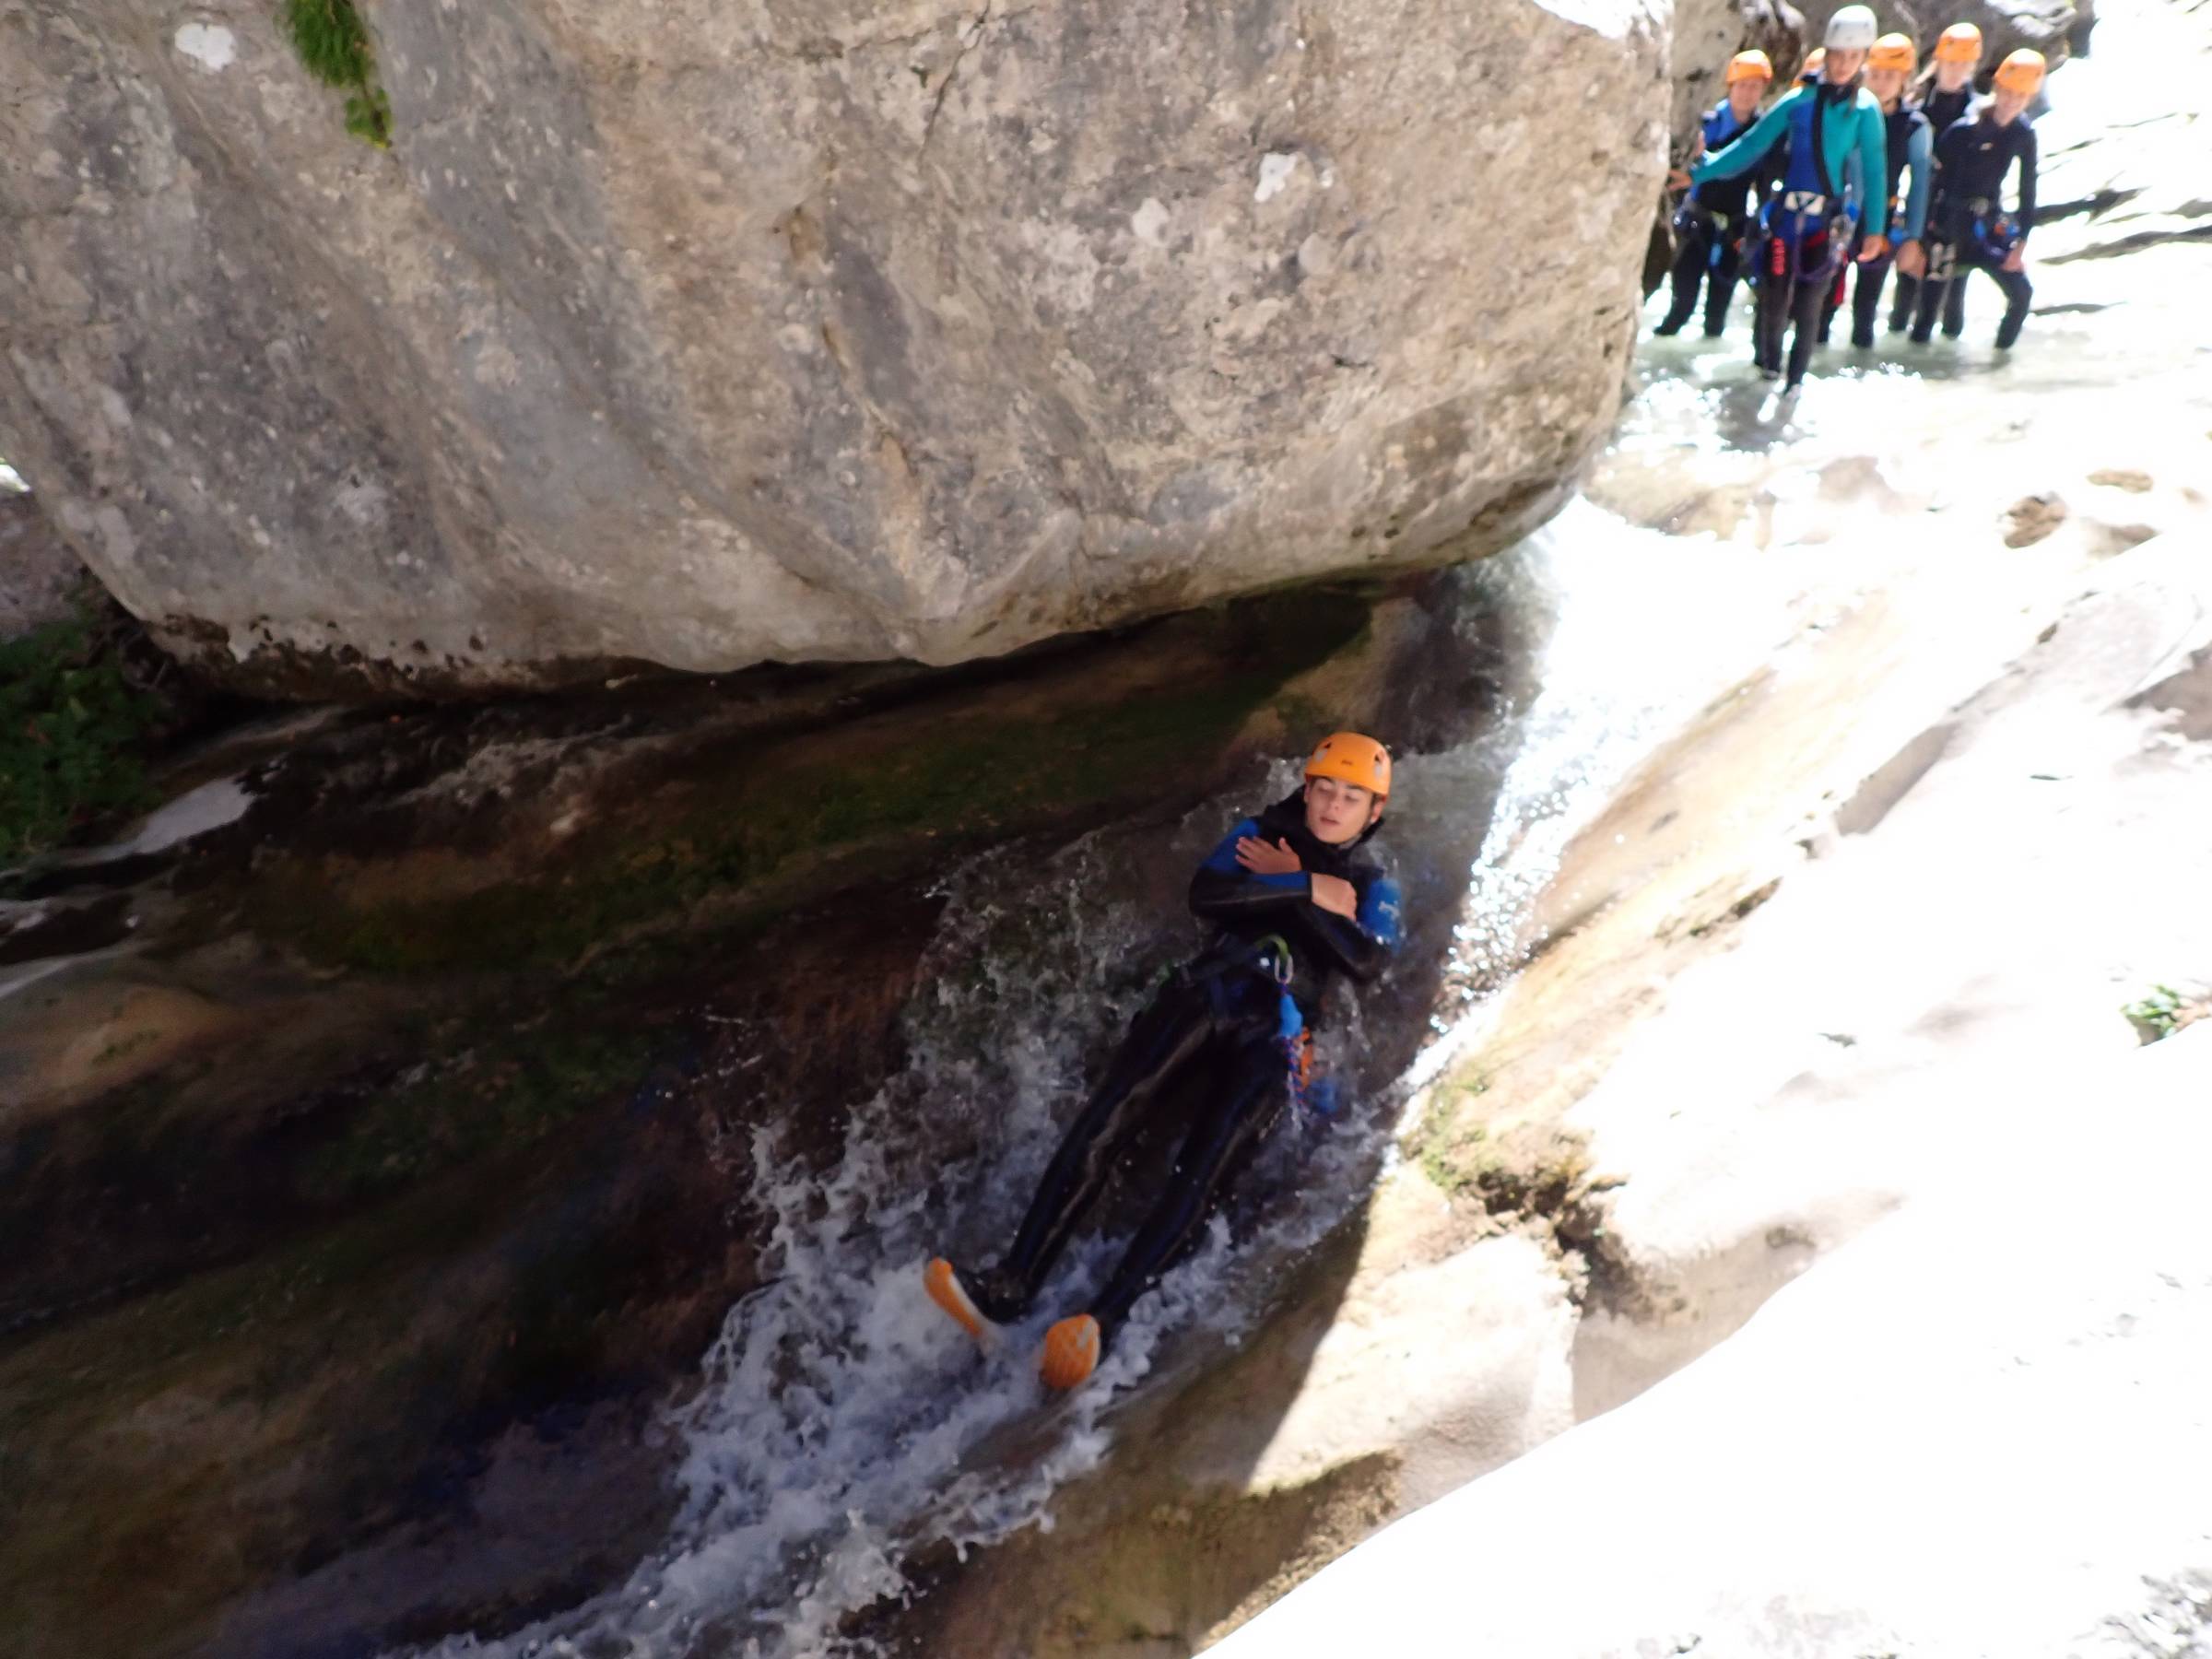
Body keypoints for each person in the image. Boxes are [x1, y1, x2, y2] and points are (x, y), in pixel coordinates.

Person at [924, 733, 1404, 1390]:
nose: (1332, 806)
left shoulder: (1373, 884)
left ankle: (1102, 1323)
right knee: (1108, 1119)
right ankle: (1010, 1286)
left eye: (1351, 798)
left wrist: (1287, 887)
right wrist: (1307, 887)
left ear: (1373, 812)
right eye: (1325, 789)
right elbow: (1208, 894)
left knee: (1205, 1172)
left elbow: (1368, 961)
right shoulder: (1260, 833)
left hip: (1280, 1033)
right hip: (1208, 993)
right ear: (1307, 786)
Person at [1682, 5, 1889, 399]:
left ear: (1863, 58)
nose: (1844, 64)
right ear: (1827, 53)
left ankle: (1794, 385)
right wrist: (1699, 173)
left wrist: (1875, 230)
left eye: (1854, 56)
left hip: (1823, 224)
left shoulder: (1865, 110)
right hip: (1785, 219)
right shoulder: (1798, 101)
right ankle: (1769, 373)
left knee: (1810, 307)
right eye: (1839, 55)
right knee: (1774, 303)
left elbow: (1875, 171)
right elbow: (1752, 144)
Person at [1911, 49, 2043, 348]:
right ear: (1997, 88)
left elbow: (2028, 189)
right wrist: (1919, 238)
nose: (2011, 102)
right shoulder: (1964, 130)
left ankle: (2000, 358)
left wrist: (2021, 242)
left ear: (2029, 99)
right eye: (2007, 93)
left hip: (1986, 226)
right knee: (1928, 315)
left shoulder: (2023, 133)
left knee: (2021, 294)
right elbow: (1932, 183)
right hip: (1947, 227)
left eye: (2020, 97)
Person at [1822, 34, 1933, 348]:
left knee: (1866, 308)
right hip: (1841, 216)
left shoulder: (1914, 125)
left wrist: (1913, 238)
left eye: (1890, 77)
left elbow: (1920, 184)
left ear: (1904, 80)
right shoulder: (1848, 113)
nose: (1881, 84)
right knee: (1825, 302)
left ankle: (1858, 366)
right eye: (1875, 75)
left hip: (1882, 220)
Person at [1655, 51, 1776, 338]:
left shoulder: (1764, 133)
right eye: (1742, 85)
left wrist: (1760, 228)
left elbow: (1765, 185)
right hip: (1697, 223)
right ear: (1730, 86)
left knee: (1716, 316)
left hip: (1734, 228)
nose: (1748, 93)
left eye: (1755, 86)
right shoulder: (1706, 125)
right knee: (1682, 307)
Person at [1892, 21, 1985, 334]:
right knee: (1906, 289)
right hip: (1921, 205)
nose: (1956, 71)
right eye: (1951, 63)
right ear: (1939, 61)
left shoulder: (1978, 114)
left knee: (1955, 294)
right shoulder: (1919, 108)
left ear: (1972, 67)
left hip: (1960, 213)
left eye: (1963, 64)